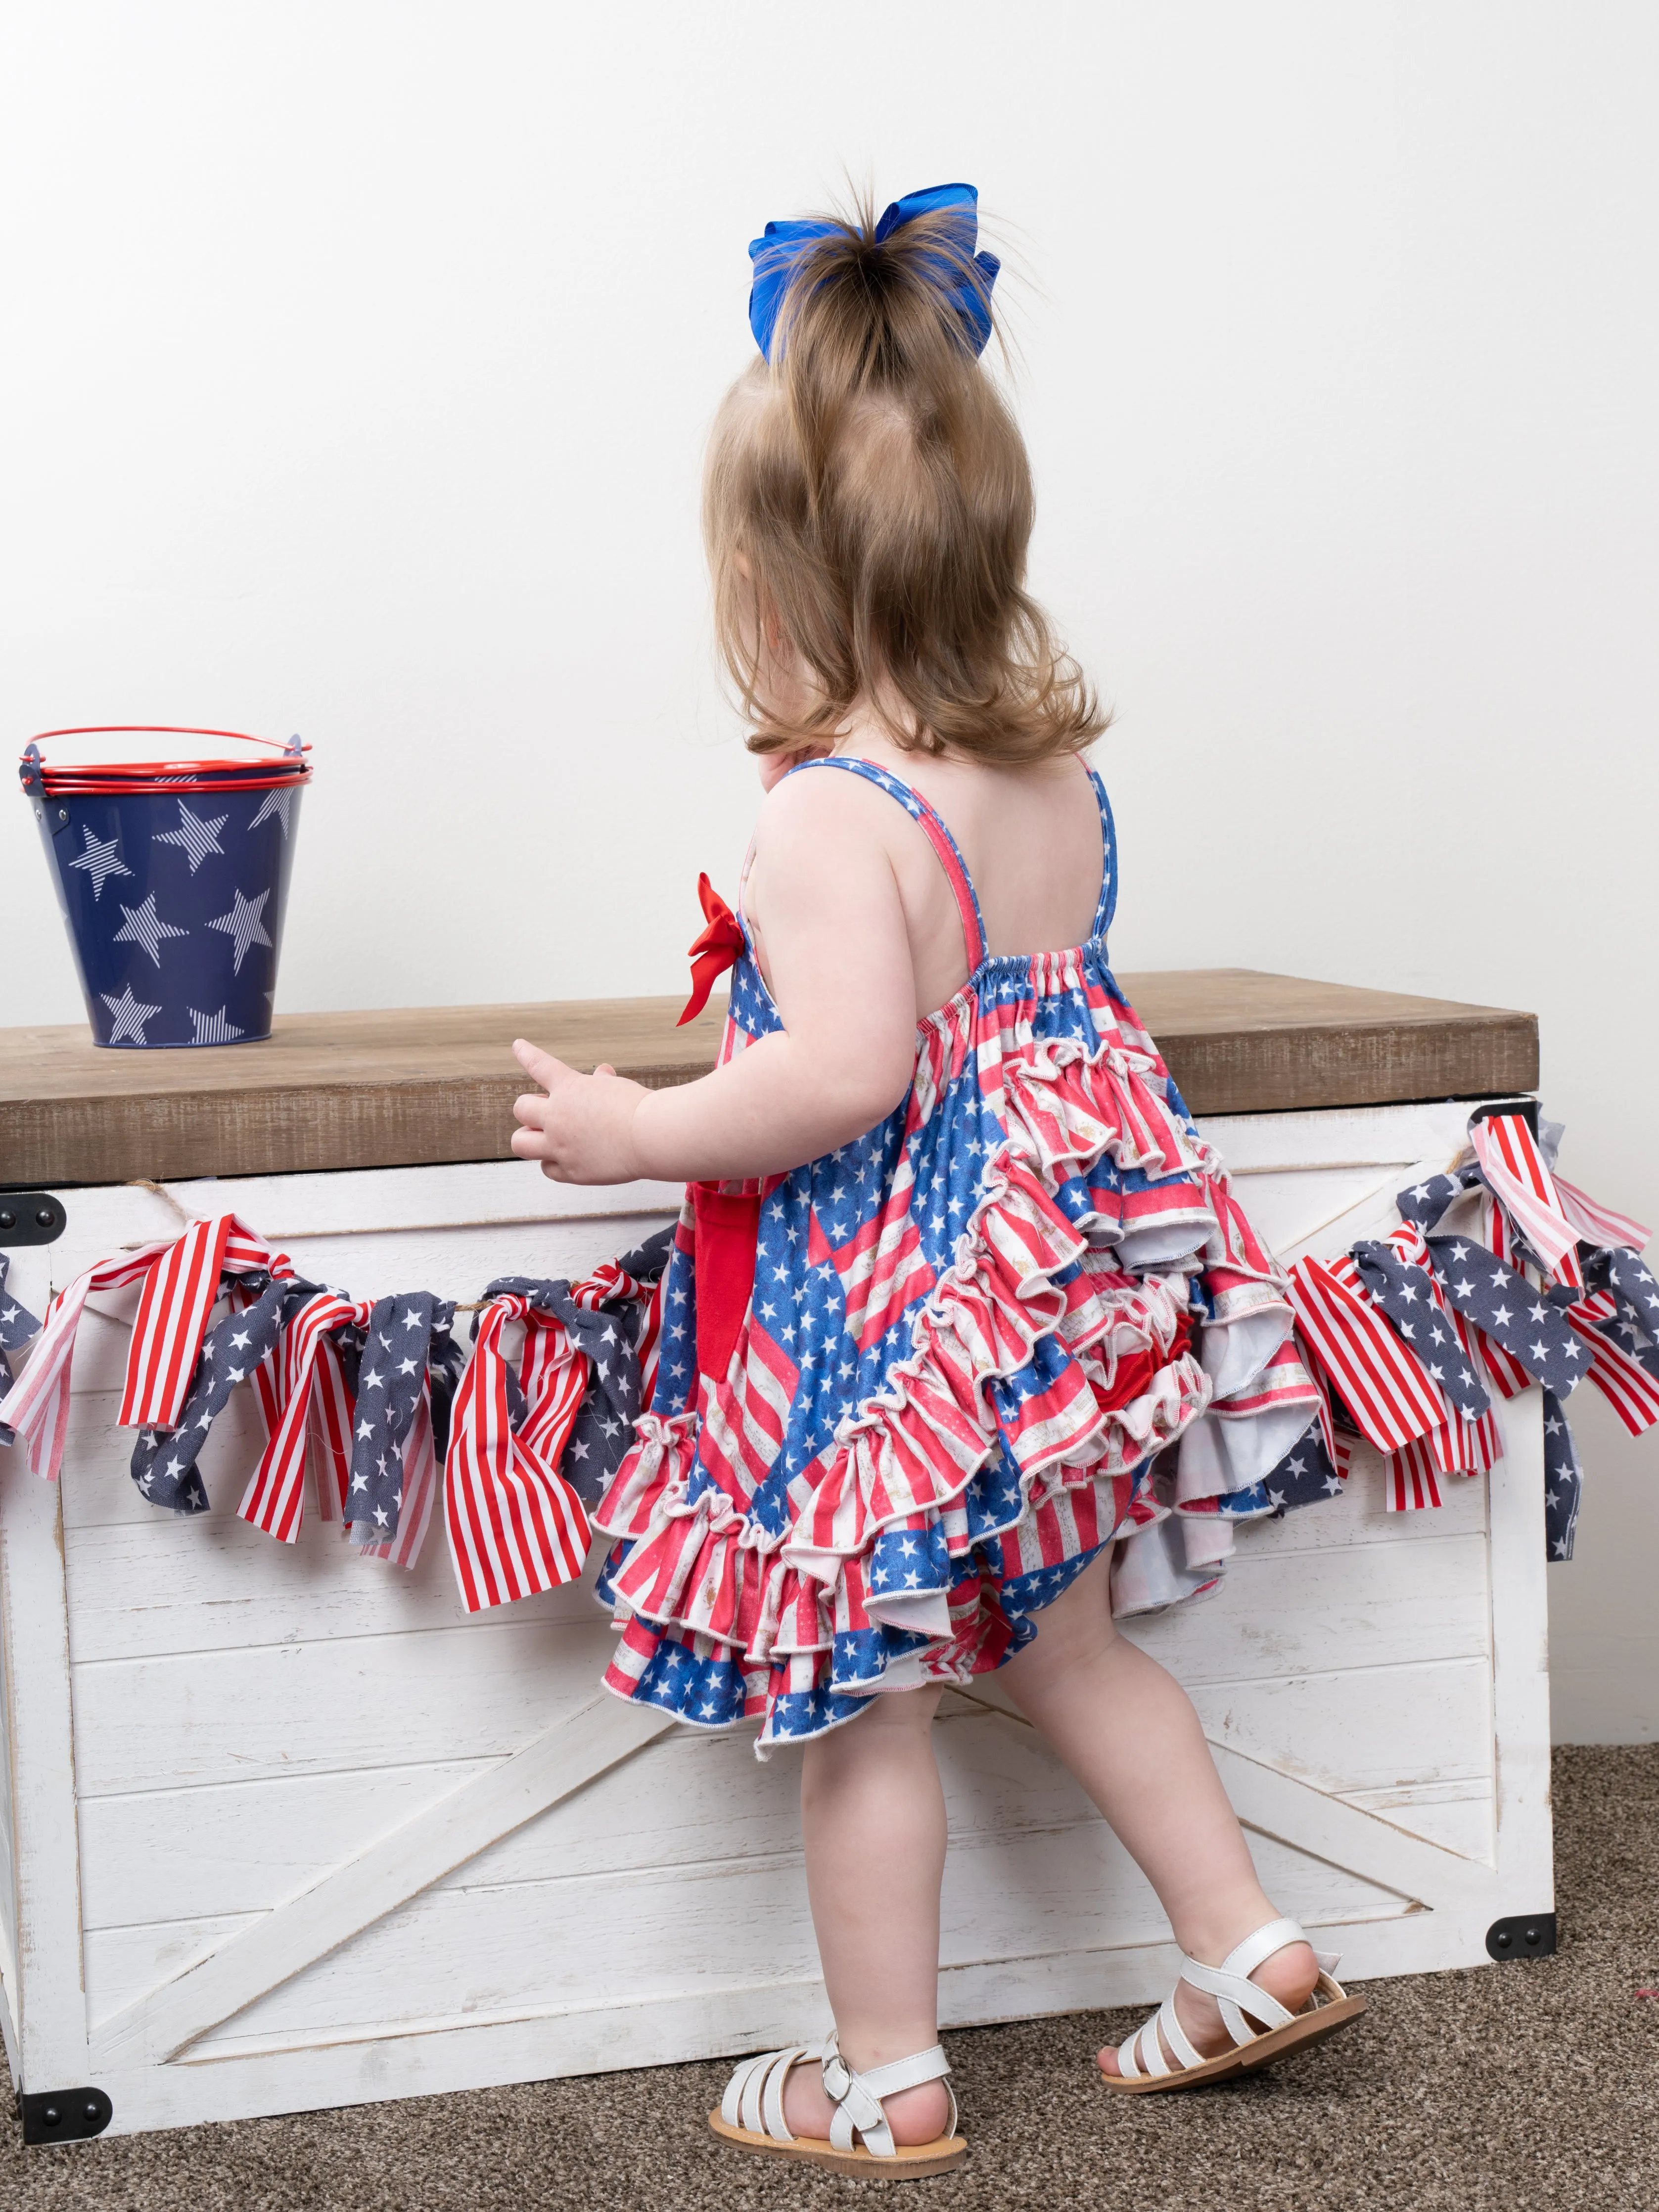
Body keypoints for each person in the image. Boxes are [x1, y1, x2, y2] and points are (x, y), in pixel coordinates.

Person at [508, 183, 1365, 2180]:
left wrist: (636, 1128)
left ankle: (882, 2071)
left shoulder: (827, 814)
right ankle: (1243, 1940)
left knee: (861, 1717)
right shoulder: (1055, 784)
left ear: (767, 584)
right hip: (1061, 1317)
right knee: (1070, 1642)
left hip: (890, 1341)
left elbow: (846, 1074)